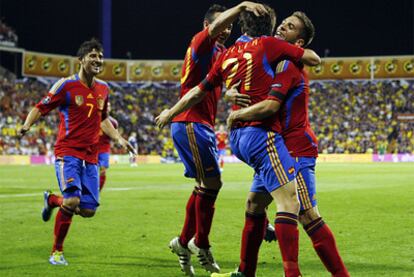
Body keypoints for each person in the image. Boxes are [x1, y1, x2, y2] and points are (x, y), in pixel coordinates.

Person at [156, 5, 321, 277]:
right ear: (270, 28)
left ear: (242, 28)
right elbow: (313, 59)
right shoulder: (267, 45)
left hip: (237, 136)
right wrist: (300, 53)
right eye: (281, 25)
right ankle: (292, 273)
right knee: (291, 203)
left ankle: (239, 266)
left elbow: (198, 91)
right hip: (258, 131)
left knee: (252, 202)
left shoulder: (227, 54)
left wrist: (170, 111)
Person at [218, 12, 349, 277]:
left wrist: (236, 114)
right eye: (283, 22)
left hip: (293, 149)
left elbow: (270, 106)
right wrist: (230, 90)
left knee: (307, 215)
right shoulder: (273, 63)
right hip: (274, 149)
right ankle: (245, 272)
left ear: (297, 43)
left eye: (290, 27)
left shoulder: (288, 66)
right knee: (254, 205)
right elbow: (241, 77)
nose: (282, 27)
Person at [165, 2, 267, 276]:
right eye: (223, 25)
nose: (227, 30)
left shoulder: (221, 54)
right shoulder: (201, 43)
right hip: (190, 121)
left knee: (204, 185)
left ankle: (183, 242)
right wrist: (243, 6)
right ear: (208, 26)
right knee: (212, 183)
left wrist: (231, 93)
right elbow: (213, 31)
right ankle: (201, 243)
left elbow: (222, 81)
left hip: (202, 125)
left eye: (230, 27)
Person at [18, 38, 135, 266]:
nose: (98, 60)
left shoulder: (104, 88)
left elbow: (103, 120)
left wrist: (119, 138)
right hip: (68, 152)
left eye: (100, 56)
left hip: (91, 156)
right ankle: (56, 252)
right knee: (71, 201)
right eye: (93, 56)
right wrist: (26, 125)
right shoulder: (65, 86)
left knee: (88, 210)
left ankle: (52, 200)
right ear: (81, 60)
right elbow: (40, 107)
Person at [97, 102, 119, 191]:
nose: (107, 107)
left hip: (104, 149)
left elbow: (115, 136)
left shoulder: (113, 122)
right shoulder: (93, 118)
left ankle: (98, 192)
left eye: (109, 106)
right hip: (91, 148)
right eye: (106, 106)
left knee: (102, 170)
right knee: (91, 171)